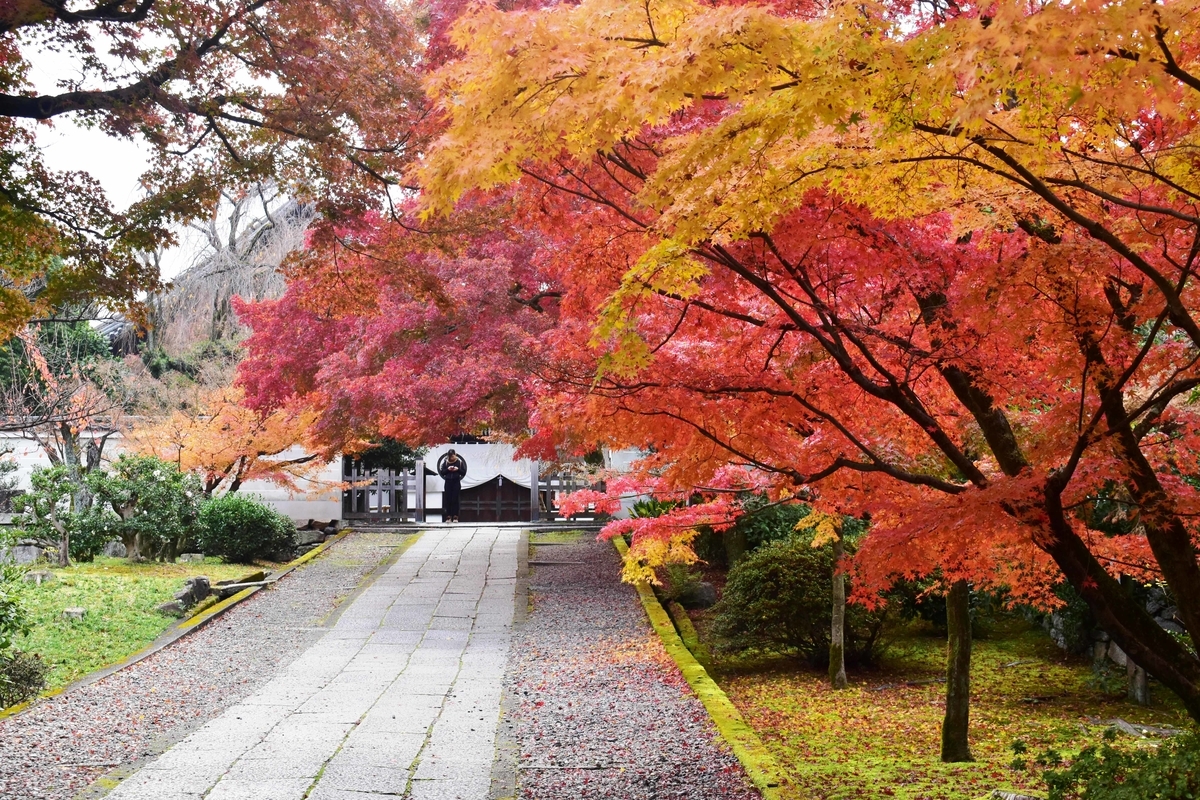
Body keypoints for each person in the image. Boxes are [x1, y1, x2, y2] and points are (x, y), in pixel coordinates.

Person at [439, 449, 466, 523]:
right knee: (448, 499)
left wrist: (457, 469)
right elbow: (442, 472)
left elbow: (463, 472)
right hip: (448, 482)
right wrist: (448, 469)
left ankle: (455, 516)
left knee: (455, 499)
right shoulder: (445, 462)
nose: (451, 457)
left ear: (455, 454)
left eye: (453, 455)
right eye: (450, 456)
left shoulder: (459, 462)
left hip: (456, 481)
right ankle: (448, 516)